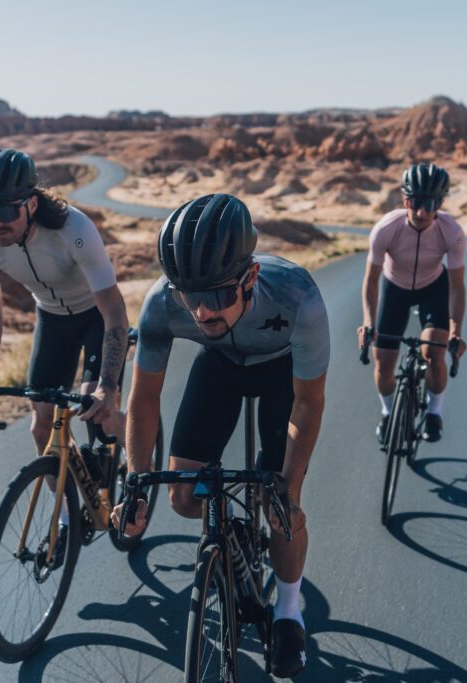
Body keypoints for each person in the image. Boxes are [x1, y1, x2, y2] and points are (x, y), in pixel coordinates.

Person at [111, 194, 329, 678]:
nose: (202, 312)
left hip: (281, 374)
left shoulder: (297, 295)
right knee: (182, 499)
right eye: (190, 296)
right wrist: (135, 481)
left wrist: (289, 488)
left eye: (217, 296)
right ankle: (231, 534)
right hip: (220, 369)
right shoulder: (161, 303)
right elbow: (143, 400)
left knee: (281, 511)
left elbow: (309, 402)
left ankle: (289, 612)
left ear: (250, 278)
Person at [0, 148, 129, 559]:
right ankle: (68, 517)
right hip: (52, 320)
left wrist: (107, 387)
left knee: (99, 410)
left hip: (96, 317)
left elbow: (114, 312)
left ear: (31, 204)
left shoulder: (74, 229)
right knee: (41, 426)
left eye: (7, 210)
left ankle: (139, 457)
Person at [359, 162, 467, 444]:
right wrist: (368, 322)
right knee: (383, 363)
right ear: (404, 199)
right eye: (415, 202)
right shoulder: (386, 229)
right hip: (394, 288)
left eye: (430, 204)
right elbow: (371, 280)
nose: (421, 212)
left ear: (440, 204)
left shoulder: (451, 232)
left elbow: (457, 286)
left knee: (434, 351)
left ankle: (434, 412)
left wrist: (455, 331)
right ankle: (387, 412)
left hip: (433, 288)